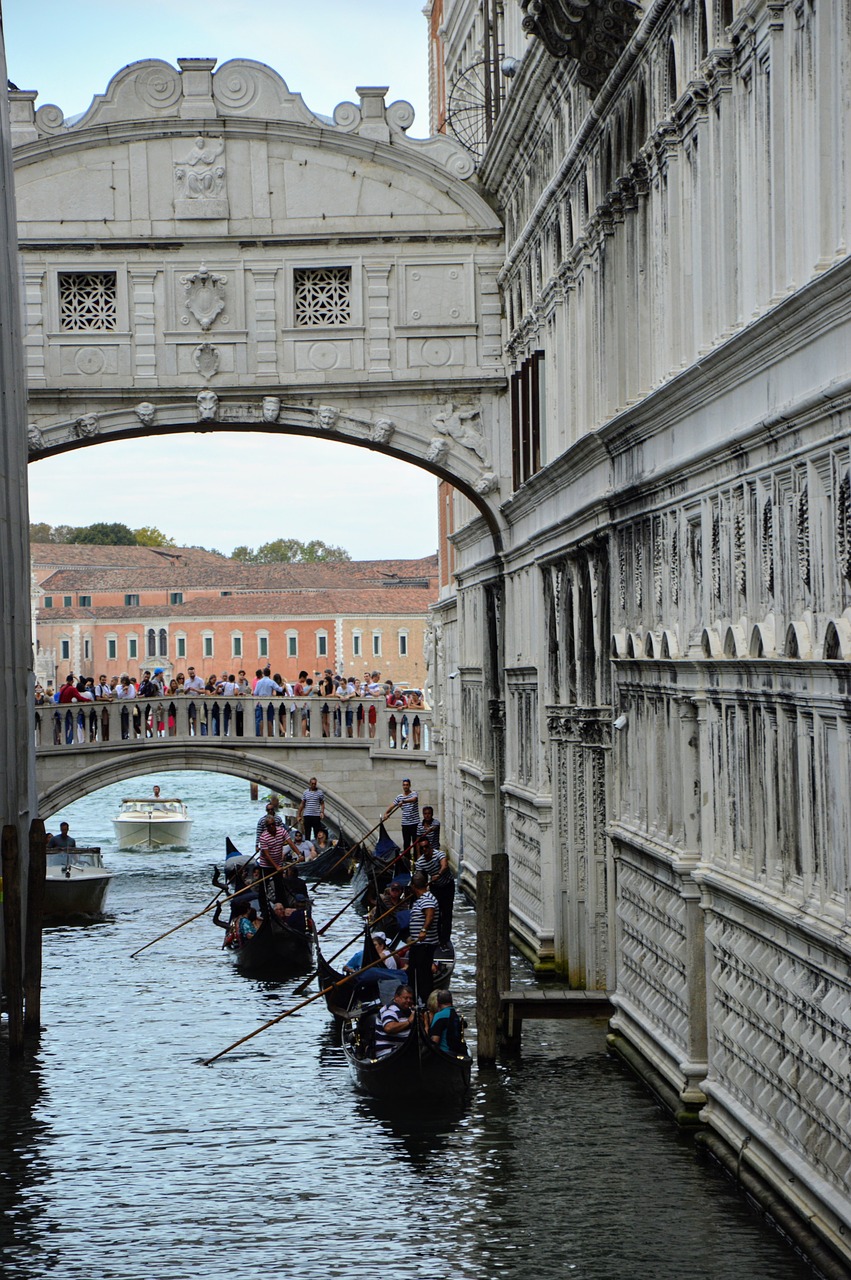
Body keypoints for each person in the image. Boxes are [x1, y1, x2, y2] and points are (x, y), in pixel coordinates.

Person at [413, 834, 454, 945]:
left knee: (447, 913)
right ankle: (438, 938)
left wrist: (439, 874)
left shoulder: (439, 854)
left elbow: (444, 866)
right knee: (437, 913)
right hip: (435, 887)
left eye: (426, 847)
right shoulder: (420, 862)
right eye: (422, 848)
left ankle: (445, 940)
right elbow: (420, 877)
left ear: (430, 846)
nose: (424, 849)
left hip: (448, 885)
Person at [407, 870, 439, 1002]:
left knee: (423, 976)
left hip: (424, 945)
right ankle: (415, 1000)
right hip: (418, 944)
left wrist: (423, 931)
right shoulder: (423, 898)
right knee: (413, 974)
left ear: (413, 887)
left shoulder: (426, 898)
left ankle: (426, 1003)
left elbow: (430, 914)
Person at [374, 984, 415, 1057]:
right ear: (396, 997)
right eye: (405, 998)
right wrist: (408, 1022)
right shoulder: (389, 1009)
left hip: (405, 1050)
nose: (408, 1001)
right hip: (388, 1052)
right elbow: (389, 1028)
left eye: (410, 998)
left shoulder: (410, 1011)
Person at [384, 778, 420, 852]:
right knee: (406, 844)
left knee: (416, 843)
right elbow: (392, 805)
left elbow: (414, 799)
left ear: (409, 785)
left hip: (415, 823)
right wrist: (386, 813)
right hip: (405, 824)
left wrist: (404, 801)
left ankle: (417, 862)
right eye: (404, 785)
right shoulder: (399, 797)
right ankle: (407, 861)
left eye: (407, 785)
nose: (405, 786)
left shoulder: (414, 793)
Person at [428, 990, 465, 1054]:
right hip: (456, 1052)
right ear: (451, 1002)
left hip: (444, 1052)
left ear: (438, 1003)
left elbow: (435, 1040)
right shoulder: (455, 1015)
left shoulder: (439, 1016)